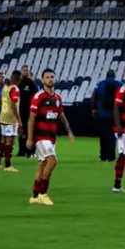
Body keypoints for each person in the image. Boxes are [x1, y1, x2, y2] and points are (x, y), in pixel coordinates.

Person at [27, 69, 75, 205]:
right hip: (41, 136)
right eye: (47, 77)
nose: (50, 79)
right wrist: (30, 138)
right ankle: (43, 193)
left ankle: (35, 196)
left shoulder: (57, 98)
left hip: (51, 137)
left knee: (42, 165)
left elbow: (61, 116)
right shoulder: (39, 97)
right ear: (42, 80)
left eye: (52, 77)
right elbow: (31, 119)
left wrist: (69, 131)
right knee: (52, 161)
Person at [91, 70, 122, 162]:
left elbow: (93, 96)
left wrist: (93, 109)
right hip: (114, 115)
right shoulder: (119, 84)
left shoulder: (100, 84)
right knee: (112, 136)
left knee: (103, 136)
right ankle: (111, 156)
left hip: (102, 114)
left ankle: (103, 156)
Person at [0, 70, 23, 172]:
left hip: (2, 116)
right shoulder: (15, 88)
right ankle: (8, 165)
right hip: (11, 118)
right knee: (10, 142)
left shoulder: (5, 87)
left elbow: (0, 100)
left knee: (3, 140)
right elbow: (13, 104)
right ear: (16, 78)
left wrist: (3, 110)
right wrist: (19, 120)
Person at [17, 65, 38, 157]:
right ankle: (21, 151)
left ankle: (31, 151)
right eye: (24, 70)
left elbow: (36, 98)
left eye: (27, 70)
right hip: (20, 112)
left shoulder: (31, 84)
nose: (25, 72)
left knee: (29, 131)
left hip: (29, 112)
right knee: (21, 131)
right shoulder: (19, 84)